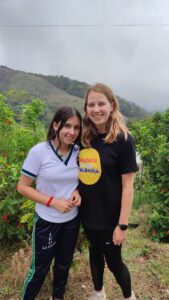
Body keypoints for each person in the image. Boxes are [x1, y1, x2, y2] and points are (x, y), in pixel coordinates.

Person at [79, 83, 137, 300]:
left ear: (112, 106)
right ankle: (98, 292)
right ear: (86, 109)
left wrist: (122, 225)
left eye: (101, 103)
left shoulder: (123, 139)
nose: (96, 109)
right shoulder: (85, 138)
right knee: (94, 254)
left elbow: (128, 186)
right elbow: (82, 173)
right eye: (90, 105)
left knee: (113, 261)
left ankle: (128, 296)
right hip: (88, 213)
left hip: (111, 217)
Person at [17, 106, 82, 300]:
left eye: (76, 128)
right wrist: (52, 202)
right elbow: (23, 187)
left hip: (71, 221)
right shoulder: (39, 152)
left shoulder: (80, 152)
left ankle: (58, 297)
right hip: (47, 221)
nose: (71, 132)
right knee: (39, 269)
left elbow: (82, 180)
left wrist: (78, 192)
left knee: (63, 264)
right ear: (56, 125)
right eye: (67, 126)